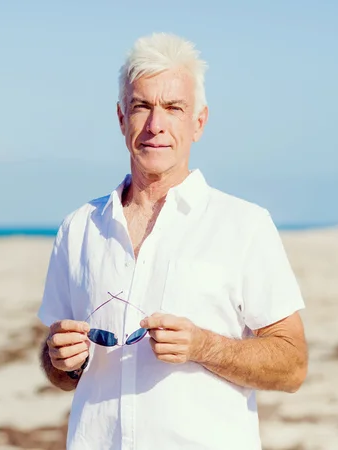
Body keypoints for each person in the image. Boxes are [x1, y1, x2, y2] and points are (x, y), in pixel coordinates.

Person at [36, 32, 308, 450]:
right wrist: (61, 362)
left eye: (173, 108)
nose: (155, 124)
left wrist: (205, 346)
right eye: (141, 106)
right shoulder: (79, 227)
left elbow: (292, 364)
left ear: (198, 122)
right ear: (121, 118)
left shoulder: (245, 225)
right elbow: (58, 369)